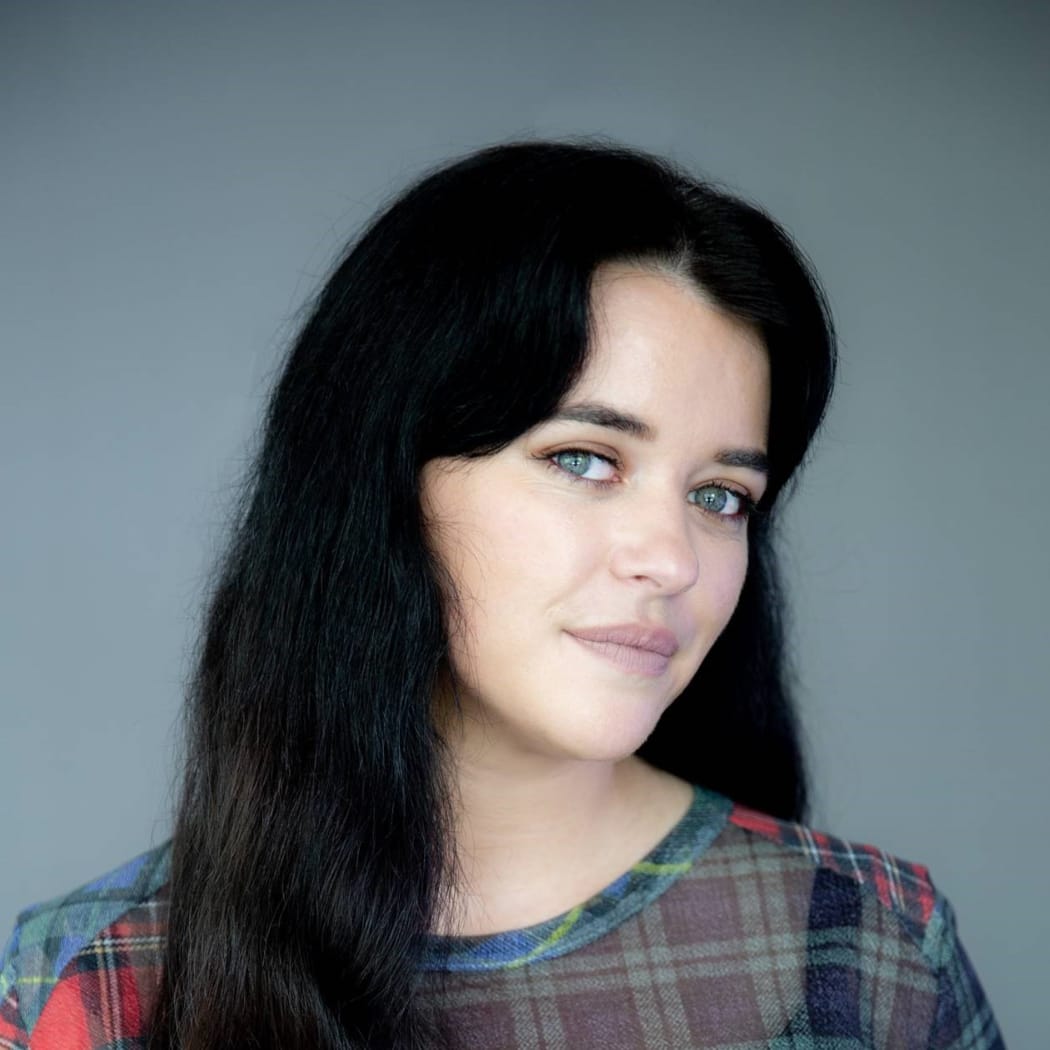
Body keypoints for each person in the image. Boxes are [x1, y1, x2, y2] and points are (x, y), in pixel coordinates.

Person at [0, 141, 1003, 1049]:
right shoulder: (91, 982)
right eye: (583, 458)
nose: (672, 557)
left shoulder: (870, 945)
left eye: (719, 495)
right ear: (383, 482)